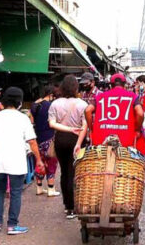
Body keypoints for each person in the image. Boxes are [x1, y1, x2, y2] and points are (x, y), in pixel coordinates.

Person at [0, 87, 45, 235]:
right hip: (16, 161)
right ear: (19, 101)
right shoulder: (23, 118)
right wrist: (38, 159)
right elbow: (32, 142)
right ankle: (12, 225)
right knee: (15, 192)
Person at [48, 75, 88, 219]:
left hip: (60, 139)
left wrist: (66, 129)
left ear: (63, 88)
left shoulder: (55, 104)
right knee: (76, 172)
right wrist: (78, 143)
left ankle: (68, 206)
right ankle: (75, 205)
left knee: (64, 172)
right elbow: (85, 126)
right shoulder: (83, 104)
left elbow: (51, 124)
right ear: (76, 88)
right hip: (77, 138)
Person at [85, 73, 144, 150]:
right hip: (125, 142)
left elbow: (87, 110)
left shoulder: (100, 97)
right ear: (125, 84)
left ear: (110, 85)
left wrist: (91, 129)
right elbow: (140, 113)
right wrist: (137, 130)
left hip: (101, 142)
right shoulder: (132, 96)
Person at [30, 85, 60, 197]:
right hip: (49, 137)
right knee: (51, 162)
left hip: (37, 137)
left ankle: (39, 188)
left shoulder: (34, 105)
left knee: (39, 161)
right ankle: (51, 189)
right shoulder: (51, 106)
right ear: (51, 94)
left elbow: (32, 121)